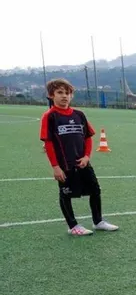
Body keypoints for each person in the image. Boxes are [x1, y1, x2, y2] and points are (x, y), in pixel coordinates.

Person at [40, 78, 119, 236]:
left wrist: (87, 157)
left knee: (95, 189)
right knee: (66, 194)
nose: (64, 96)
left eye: (68, 93)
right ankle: (73, 226)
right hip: (64, 164)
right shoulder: (50, 116)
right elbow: (48, 143)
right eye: (60, 92)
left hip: (83, 162)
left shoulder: (79, 115)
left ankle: (98, 221)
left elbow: (88, 137)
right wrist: (55, 167)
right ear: (51, 95)